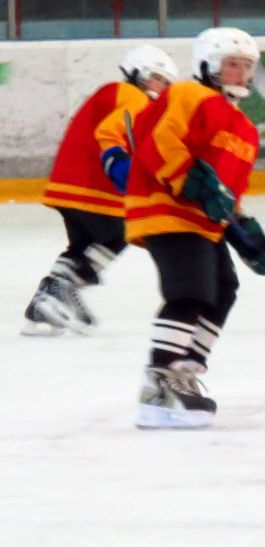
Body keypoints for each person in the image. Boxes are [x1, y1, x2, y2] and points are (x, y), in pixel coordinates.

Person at [126, 28, 265, 429]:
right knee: (189, 291)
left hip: (202, 222)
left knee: (223, 289)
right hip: (166, 207)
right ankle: (158, 386)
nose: (240, 73)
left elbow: (226, 194)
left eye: (247, 66)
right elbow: (156, 139)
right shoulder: (187, 95)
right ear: (208, 65)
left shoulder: (243, 127)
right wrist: (187, 179)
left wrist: (246, 232)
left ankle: (185, 370)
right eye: (232, 64)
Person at [23, 44, 177, 335]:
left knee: (81, 246)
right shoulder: (132, 96)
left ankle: (44, 304)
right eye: (159, 78)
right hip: (96, 188)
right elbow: (119, 129)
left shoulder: (109, 92)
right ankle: (57, 293)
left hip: (69, 185)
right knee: (119, 235)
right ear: (140, 74)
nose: (164, 87)